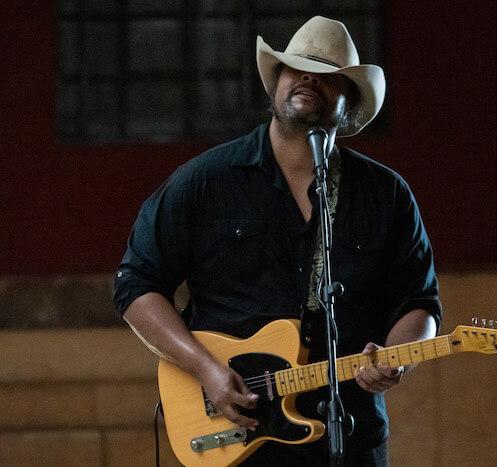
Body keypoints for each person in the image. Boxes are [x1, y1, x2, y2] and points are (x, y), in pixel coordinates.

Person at [113, 16, 441, 466]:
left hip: (350, 433)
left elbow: (420, 303)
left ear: (348, 103)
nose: (308, 77)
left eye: (327, 75)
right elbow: (136, 284)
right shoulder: (206, 181)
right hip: (239, 433)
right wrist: (206, 369)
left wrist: (394, 358)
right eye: (296, 66)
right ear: (276, 83)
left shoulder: (386, 195)